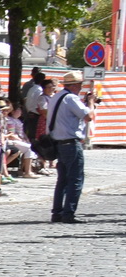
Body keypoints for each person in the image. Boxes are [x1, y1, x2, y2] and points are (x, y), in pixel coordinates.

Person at [46, 70, 92, 223]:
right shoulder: (71, 98)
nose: (80, 88)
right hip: (70, 143)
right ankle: (68, 213)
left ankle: (57, 212)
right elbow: (88, 116)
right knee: (75, 179)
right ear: (74, 85)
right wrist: (90, 103)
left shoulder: (56, 97)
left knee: (62, 180)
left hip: (58, 143)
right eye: (79, 85)